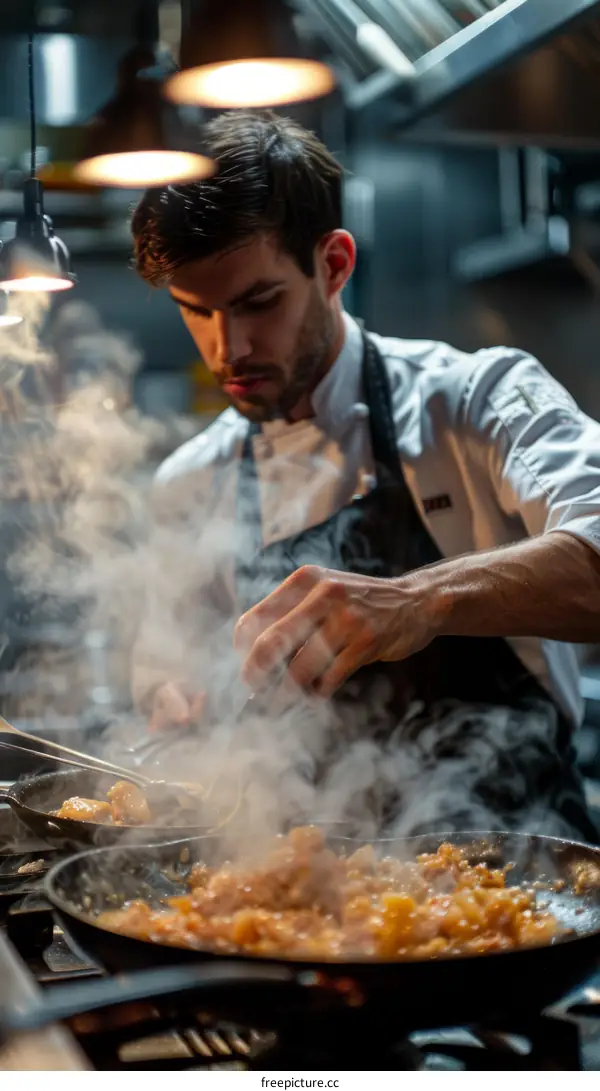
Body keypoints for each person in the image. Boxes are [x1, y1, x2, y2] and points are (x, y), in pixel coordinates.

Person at [130, 109, 600, 840]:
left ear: (335, 264)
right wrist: (174, 698)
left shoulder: (475, 400)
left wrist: (418, 601)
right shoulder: (190, 481)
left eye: (260, 302)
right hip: (309, 894)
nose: (229, 349)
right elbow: (163, 675)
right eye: (198, 311)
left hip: (519, 884)